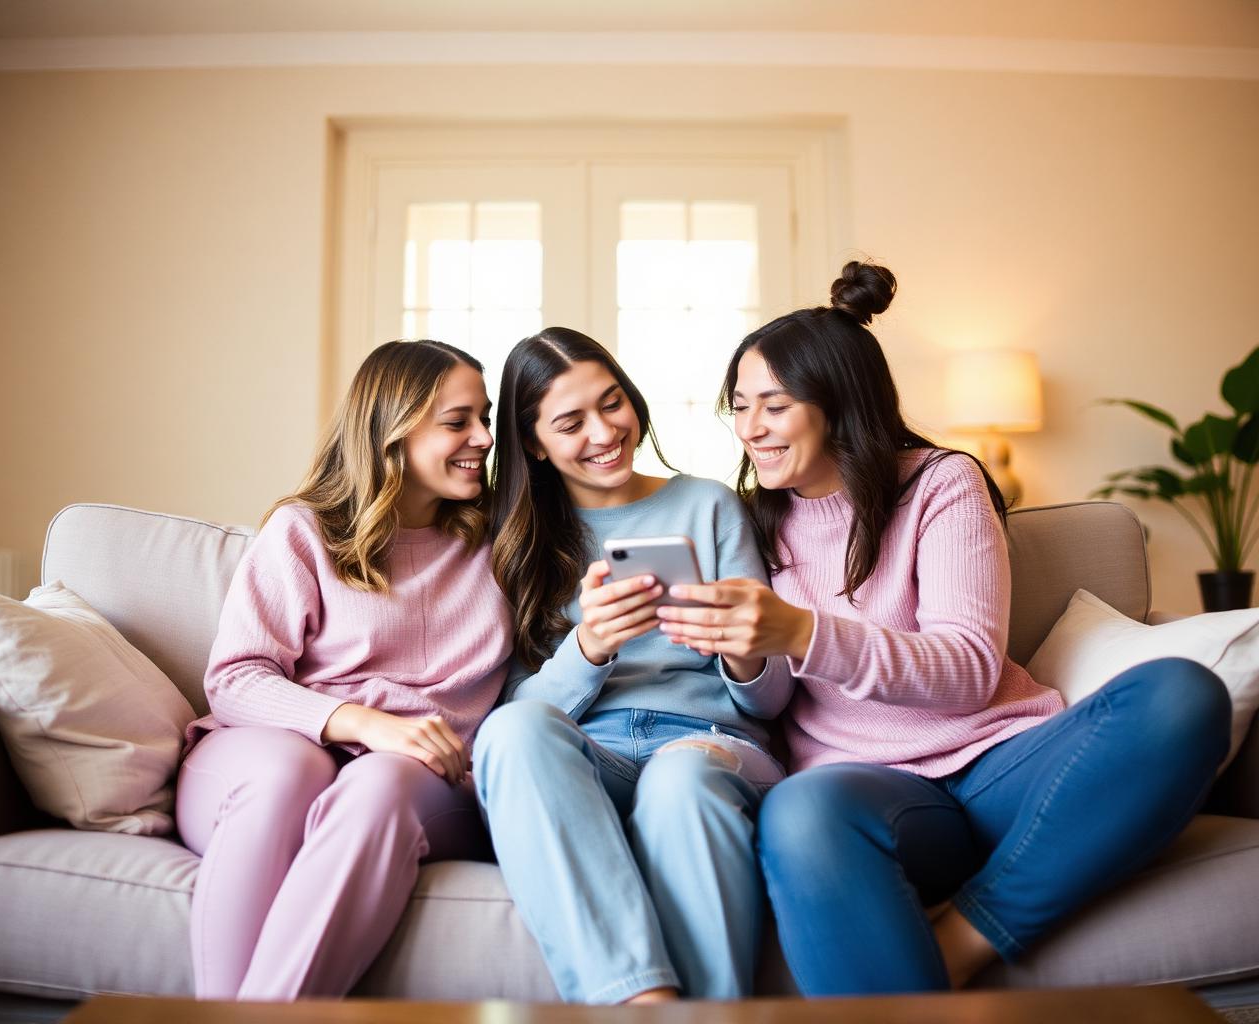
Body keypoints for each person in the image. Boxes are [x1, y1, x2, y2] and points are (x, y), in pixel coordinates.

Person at [656, 262, 1232, 996]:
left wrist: (803, 631)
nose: (751, 428)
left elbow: (965, 672)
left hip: (1002, 767)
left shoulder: (940, 483)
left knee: (1181, 695)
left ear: (839, 400)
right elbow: (769, 706)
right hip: (875, 796)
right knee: (800, 811)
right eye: (739, 406)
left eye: (774, 404)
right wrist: (742, 656)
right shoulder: (753, 521)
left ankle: (964, 935)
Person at [176, 340, 513, 1000]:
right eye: (457, 421)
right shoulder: (304, 532)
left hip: (421, 777)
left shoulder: (501, 540)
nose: (483, 437)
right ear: (390, 429)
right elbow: (237, 677)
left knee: (379, 785)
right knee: (287, 772)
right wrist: (359, 721)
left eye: (486, 417)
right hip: (268, 756)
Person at [471, 327, 789, 1004]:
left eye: (611, 403)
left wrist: (740, 648)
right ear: (534, 443)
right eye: (570, 421)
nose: (603, 431)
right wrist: (588, 649)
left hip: (712, 745)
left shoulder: (709, 505)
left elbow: (769, 705)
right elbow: (512, 718)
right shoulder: (517, 542)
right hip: (595, 754)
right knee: (509, 734)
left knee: (680, 780)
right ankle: (642, 1003)